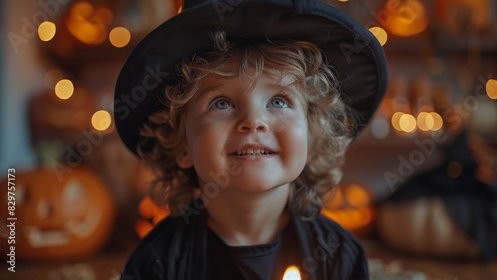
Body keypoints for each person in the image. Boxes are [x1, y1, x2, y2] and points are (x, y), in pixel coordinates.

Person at [114, 1, 387, 279]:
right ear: (182, 143)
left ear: (313, 138)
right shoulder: (159, 262)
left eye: (279, 101)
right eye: (221, 103)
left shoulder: (337, 255)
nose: (253, 121)